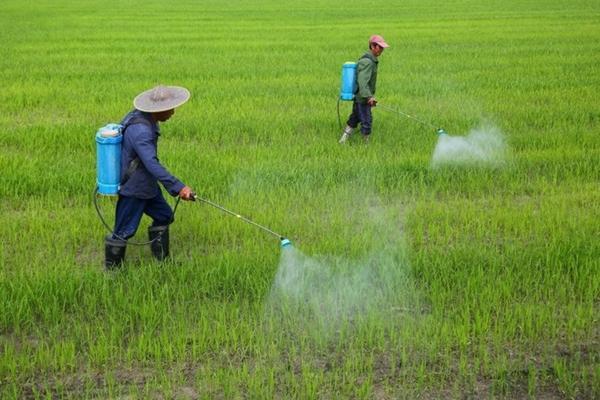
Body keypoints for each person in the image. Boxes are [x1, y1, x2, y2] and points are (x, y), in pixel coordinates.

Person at [104, 85, 195, 269]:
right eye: (169, 109)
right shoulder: (141, 131)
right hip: (135, 188)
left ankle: (162, 262)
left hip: (147, 186)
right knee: (123, 231)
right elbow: (151, 163)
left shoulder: (142, 117)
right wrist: (179, 188)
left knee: (164, 215)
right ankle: (112, 273)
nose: (172, 112)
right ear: (158, 110)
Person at [339, 34, 390, 144]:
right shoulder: (367, 62)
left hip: (361, 97)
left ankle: (343, 140)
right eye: (379, 47)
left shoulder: (371, 60)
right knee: (366, 121)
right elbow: (363, 82)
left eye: (382, 48)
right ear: (372, 46)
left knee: (354, 119)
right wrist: (369, 97)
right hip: (363, 98)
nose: (381, 50)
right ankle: (366, 145)